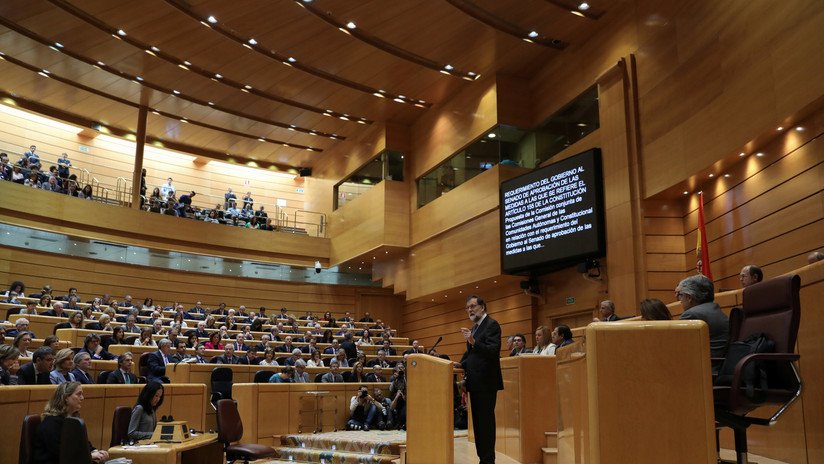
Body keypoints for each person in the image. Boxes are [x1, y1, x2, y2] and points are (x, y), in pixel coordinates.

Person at [456, 295, 502, 464]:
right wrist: (460, 364)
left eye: (473, 306)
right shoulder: (475, 327)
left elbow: (493, 351)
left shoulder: (492, 324)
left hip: (486, 382)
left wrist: (473, 341)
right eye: (467, 307)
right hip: (475, 383)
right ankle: (483, 458)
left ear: (482, 307)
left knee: (485, 423)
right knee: (478, 423)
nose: (470, 309)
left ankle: (488, 459)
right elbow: (472, 355)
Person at [31, 381, 110, 463]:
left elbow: (84, 444)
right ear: (65, 398)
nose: (82, 398)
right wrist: (90, 455)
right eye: (78, 394)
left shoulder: (73, 420)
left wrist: (96, 451)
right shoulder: (50, 423)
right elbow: (62, 453)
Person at [676, 274, 729, 359]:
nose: (679, 300)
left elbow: (678, 348)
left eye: (680, 295)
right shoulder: (715, 309)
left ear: (689, 297)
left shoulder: (691, 315)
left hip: (705, 365)